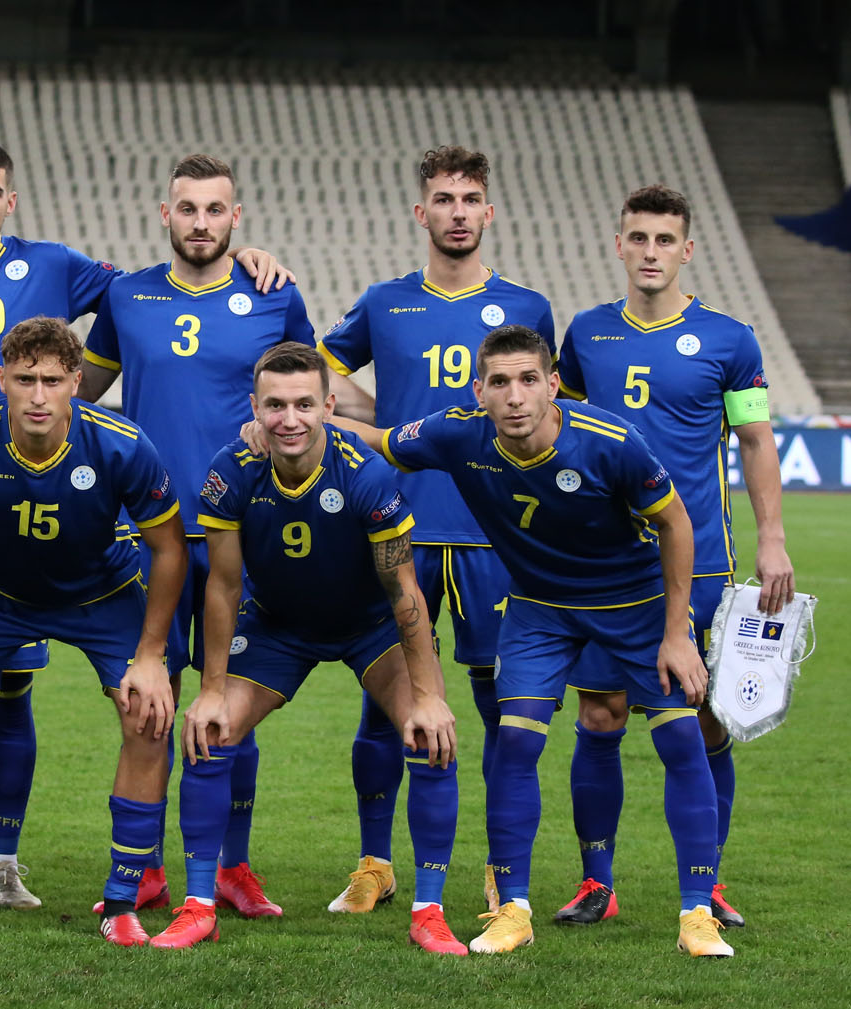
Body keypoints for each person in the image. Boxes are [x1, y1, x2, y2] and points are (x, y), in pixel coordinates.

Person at [0, 140, 287, 911]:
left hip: (39, 523)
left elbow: (156, 291)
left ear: (11, 201)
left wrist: (235, 258)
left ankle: (4, 862)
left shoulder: (56, 266)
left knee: (15, 694)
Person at [346, 324, 733, 958]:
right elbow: (380, 440)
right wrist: (305, 422)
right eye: (499, 382)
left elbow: (675, 523)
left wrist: (676, 634)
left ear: (553, 385)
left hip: (635, 605)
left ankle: (697, 912)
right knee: (516, 743)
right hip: (540, 607)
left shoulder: (612, 442)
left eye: (529, 380)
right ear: (479, 391)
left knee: (680, 739)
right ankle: (514, 909)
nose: (515, 396)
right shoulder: (458, 433)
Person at [152, 343, 461, 953]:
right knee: (210, 732)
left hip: (371, 626)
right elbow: (223, 585)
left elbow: (404, 591)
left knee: (429, 737)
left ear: (328, 405)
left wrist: (428, 695)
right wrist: (210, 690)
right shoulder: (230, 471)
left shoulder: (367, 475)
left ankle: (429, 911)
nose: (288, 419)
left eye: (302, 404)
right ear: (254, 407)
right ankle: (198, 905)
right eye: (275, 405)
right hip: (278, 625)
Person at [315, 146, 555, 915]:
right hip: (400, 530)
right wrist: (376, 418)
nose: (457, 212)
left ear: (489, 211)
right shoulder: (385, 302)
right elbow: (318, 369)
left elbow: (551, 411)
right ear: (422, 213)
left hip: (496, 536)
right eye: (444, 199)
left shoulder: (528, 306)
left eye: (470, 198)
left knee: (501, 709)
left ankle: (501, 868)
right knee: (384, 700)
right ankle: (375, 863)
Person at [0, 317, 186, 945]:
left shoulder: (121, 444)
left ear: (76, 383)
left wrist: (151, 654)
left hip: (101, 596)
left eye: (52, 381)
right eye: (24, 379)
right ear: (1, 378)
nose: (37, 395)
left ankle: (121, 904)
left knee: (148, 716)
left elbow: (169, 547)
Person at [77, 154, 314, 916]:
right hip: (148, 537)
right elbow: (80, 393)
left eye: (216, 210)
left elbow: (310, 398)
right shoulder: (126, 295)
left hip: (241, 539)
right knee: (147, 705)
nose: (202, 222)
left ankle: (229, 868)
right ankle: (143, 867)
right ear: (165, 214)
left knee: (234, 711)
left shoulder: (274, 296)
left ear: (236, 217)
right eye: (189, 208)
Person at [552, 184, 794, 928]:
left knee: (706, 719)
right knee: (600, 713)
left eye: (665, 240)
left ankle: (707, 883)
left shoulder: (730, 340)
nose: (650, 252)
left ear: (687, 250)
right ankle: (597, 883)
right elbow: (561, 431)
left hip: (705, 563)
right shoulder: (586, 334)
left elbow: (756, 441)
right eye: (639, 238)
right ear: (618, 245)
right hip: (605, 565)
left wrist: (773, 538)